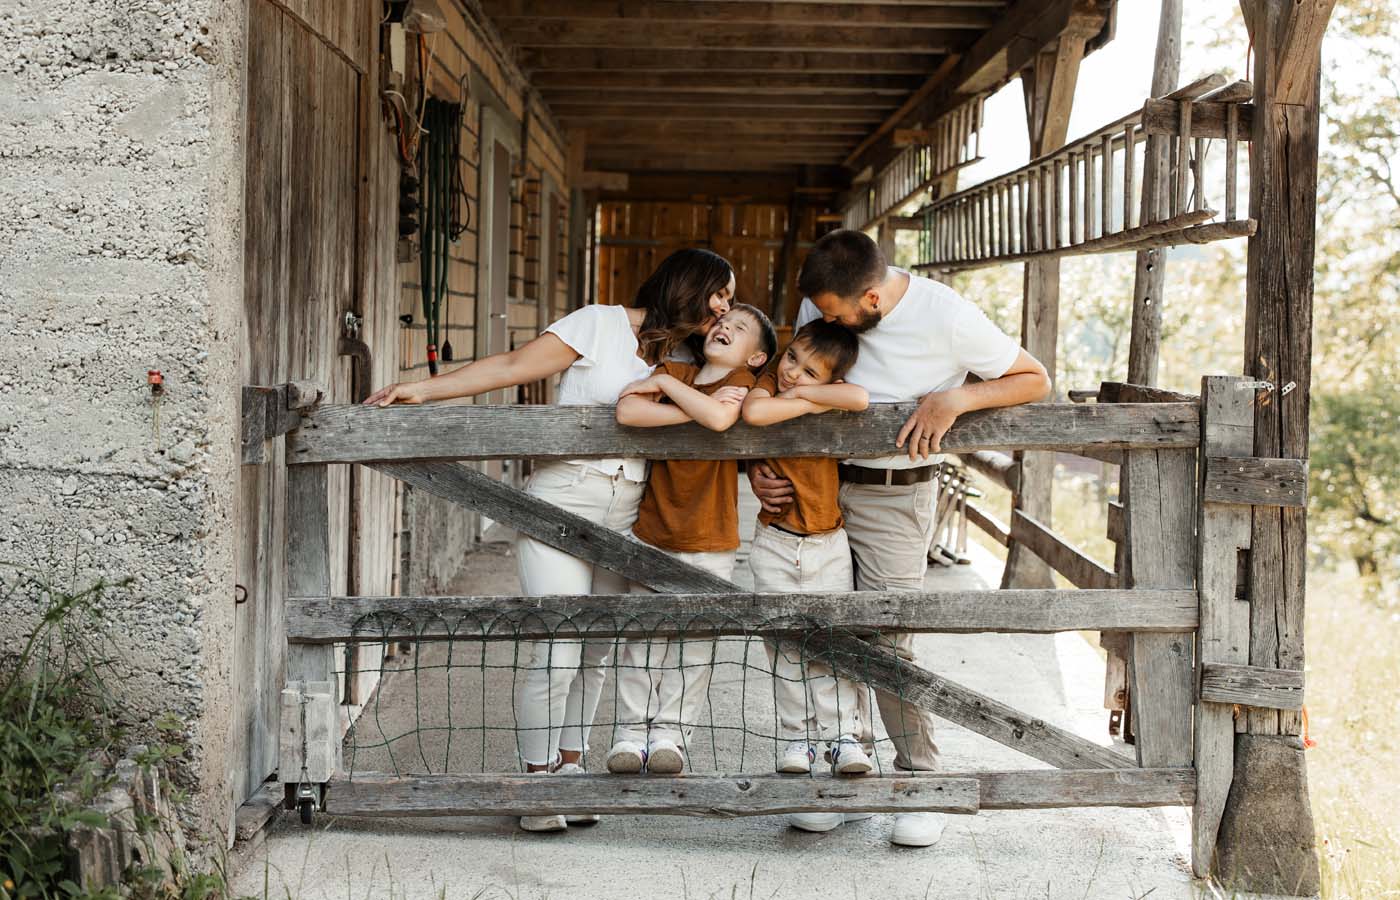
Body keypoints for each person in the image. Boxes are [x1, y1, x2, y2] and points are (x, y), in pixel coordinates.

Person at [364, 247, 737, 834]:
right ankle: (533, 782)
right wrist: (425, 390)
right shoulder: (599, 322)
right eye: (719, 293)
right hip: (563, 498)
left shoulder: (694, 356)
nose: (725, 307)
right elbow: (515, 364)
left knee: (596, 650)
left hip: (629, 511)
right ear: (688, 285)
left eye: (731, 299)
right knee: (556, 648)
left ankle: (570, 769)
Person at [749, 230, 1051, 847]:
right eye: (819, 313)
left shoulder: (948, 316)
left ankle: (920, 785)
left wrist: (956, 399)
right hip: (817, 484)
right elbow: (787, 385)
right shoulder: (821, 302)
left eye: (834, 315)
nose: (822, 321)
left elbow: (1034, 378)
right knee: (819, 629)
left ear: (872, 300)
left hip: (895, 493)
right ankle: (841, 780)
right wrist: (758, 464)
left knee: (887, 640)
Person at [605, 304, 777, 774]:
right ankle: (630, 732)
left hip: (712, 536)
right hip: (654, 528)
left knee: (695, 644)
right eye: (722, 322)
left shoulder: (748, 382)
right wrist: (679, 396)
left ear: (757, 357)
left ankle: (671, 735)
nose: (725, 327)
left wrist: (674, 397)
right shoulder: (676, 370)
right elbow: (627, 409)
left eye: (740, 328)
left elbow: (723, 421)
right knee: (643, 637)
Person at [740, 320, 872, 780]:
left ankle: (843, 737)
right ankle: (797, 737)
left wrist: (804, 399)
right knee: (783, 646)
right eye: (792, 356)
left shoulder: (816, 397)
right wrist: (801, 397)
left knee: (832, 644)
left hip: (828, 541)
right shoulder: (768, 386)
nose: (793, 371)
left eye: (811, 372)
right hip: (776, 541)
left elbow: (859, 398)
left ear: (831, 380)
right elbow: (755, 415)